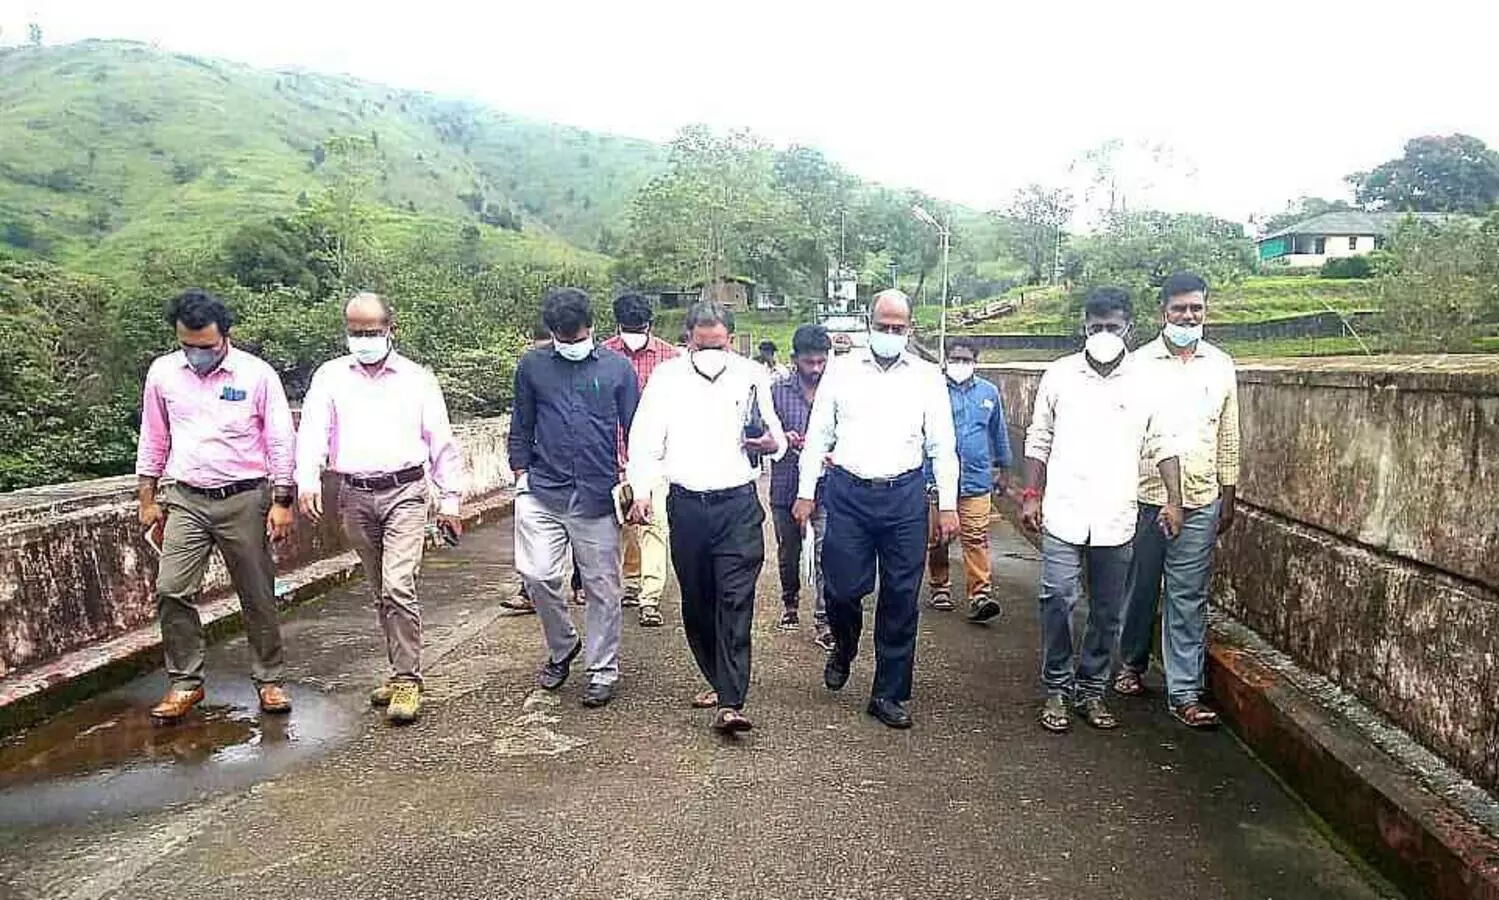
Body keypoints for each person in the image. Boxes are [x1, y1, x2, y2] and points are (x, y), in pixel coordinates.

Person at [1019, 286, 1184, 735]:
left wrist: (1174, 499)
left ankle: (1091, 690)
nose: (1104, 334)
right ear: (1083, 328)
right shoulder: (1060, 376)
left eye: (1112, 327)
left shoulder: (1148, 382)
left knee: (1108, 611)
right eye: (1096, 328)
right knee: (1057, 597)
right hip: (1064, 510)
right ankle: (1056, 685)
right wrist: (1031, 494)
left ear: (1129, 327)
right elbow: (1039, 438)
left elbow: (1163, 442)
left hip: (1116, 513)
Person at [295, 292, 465, 725]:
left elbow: (441, 441)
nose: (364, 339)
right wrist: (308, 480)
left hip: (405, 490)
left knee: (397, 583)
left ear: (392, 329)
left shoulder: (416, 379)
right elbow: (314, 429)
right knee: (379, 590)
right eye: (356, 332)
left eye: (372, 332)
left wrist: (450, 500)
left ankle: (409, 679)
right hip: (352, 493)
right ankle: (397, 669)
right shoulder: (331, 377)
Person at [794, 290, 959, 730]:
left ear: (910, 329)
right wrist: (806, 492)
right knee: (843, 589)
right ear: (870, 325)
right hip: (848, 494)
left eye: (898, 328)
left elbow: (943, 446)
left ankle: (888, 693)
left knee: (902, 597)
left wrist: (947, 506)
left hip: (905, 496)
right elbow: (818, 437)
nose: (890, 334)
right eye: (883, 326)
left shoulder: (927, 377)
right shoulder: (841, 373)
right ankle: (844, 646)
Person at [135, 288, 296, 721]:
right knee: (171, 589)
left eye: (205, 346)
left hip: (244, 497)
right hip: (185, 496)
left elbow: (280, 439)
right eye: (187, 344)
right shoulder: (163, 374)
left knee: (257, 593)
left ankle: (269, 680)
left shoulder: (256, 375)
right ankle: (186, 682)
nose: (196, 354)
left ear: (225, 335)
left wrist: (283, 499)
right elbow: (153, 435)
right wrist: (147, 498)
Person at [627, 301, 786, 733]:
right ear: (688, 341)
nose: (710, 352)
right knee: (698, 602)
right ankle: (718, 679)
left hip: (737, 505)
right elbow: (644, 440)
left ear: (730, 340)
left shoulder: (752, 376)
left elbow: (774, 433)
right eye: (702, 345)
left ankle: (731, 702)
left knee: (735, 599)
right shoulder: (667, 379)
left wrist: (771, 445)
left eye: (717, 344)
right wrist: (641, 490)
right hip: (686, 505)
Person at [1114, 272, 1239, 729]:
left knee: (1188, 594)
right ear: (1162, 312)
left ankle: (1184, 691)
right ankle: (1131, 663)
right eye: (1179, 309)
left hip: (1202, 495)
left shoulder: (1221, 365)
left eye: (1196, 309)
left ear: (1206, 310)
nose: (1188, 317)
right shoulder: (1138, 365)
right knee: (1140, 586)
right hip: (1145, 495)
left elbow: (1228, 433)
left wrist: (1229, 492)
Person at [509, 288, 639, 708]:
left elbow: (636, 430)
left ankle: (602, 670)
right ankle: (563, 645)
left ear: (592, 327)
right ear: (551, 333)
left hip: (598, 494)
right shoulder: (531, 366)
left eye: (577, 337)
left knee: (603, 588)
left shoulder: (619, 369)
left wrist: (638, 484)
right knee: (538, 576)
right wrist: (520, 472)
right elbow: (521, 421)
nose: (571, 345)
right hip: (543, 490)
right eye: (563, 340)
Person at [600, 291, 678, 628]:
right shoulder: (600, 356)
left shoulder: (670, 359)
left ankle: (650, 598)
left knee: (653, 525)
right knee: (620, 527)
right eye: (628, 326)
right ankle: (630, 582)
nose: (634, 332)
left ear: (650, 325)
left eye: (640, 326)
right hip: (609, 458)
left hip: (654, 460)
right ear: (617, 324)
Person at [926, 337, 1013, 622]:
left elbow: (998, 432)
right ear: (945, 359)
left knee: (976, 536)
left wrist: (1004, 468)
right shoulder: (933, 391)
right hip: (936, 479)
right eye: (955, 358)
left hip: (976, 478)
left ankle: (980, 594)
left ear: (975, 362)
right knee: (938, 537)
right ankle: (940, 586)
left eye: (965, 359)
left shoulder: (989, 392)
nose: (959, 364)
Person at [769, 323, 835, 650]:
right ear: (795, 359)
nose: (816, 369)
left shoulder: (837, 391)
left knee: (826, 553)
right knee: (788, 551)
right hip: (785, 485)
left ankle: (824, 621)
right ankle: (790, 601)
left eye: (821, 362)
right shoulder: (777, 392)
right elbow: (759, 431)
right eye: (809, 362)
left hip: (827, 488)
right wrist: (781, 439)